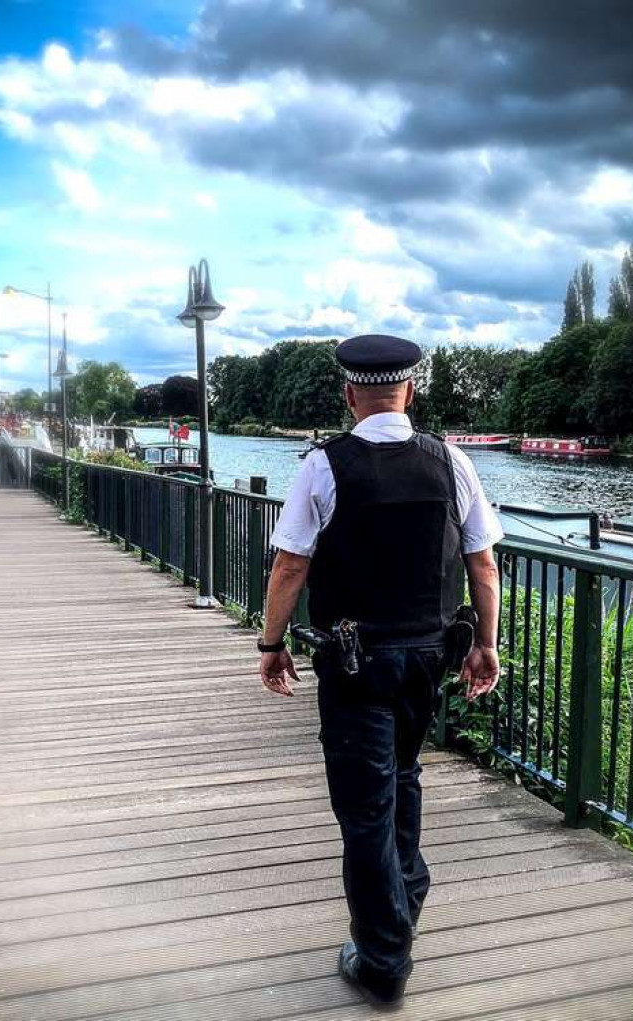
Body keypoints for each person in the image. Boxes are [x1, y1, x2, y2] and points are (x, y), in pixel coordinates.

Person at [258, 334, 502, 1011]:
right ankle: (402, 898)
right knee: (401, 776)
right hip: (428, 658)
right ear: (409, 390)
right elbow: (482, 564)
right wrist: (486, 643)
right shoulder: (451, 462)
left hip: (356, 661)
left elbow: (290, 565)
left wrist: (270, 643)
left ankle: (383, 957)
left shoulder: (322, 466)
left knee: (365, 809)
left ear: (348, 393)